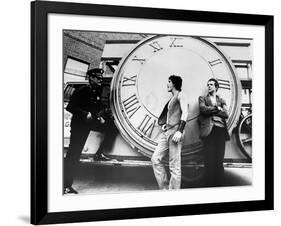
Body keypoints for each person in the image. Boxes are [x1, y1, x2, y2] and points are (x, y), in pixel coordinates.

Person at [64, 68, 110, 194]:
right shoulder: (82, 90)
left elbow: (96, 107)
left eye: (101, 78)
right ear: (91, 78)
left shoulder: (94, 91)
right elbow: (71, 107)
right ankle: (65, 185)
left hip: (86, 125)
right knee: (73, 155)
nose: (100, 80)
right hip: (79, 125)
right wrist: (85, 114)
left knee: (76, 154)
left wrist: (99, 116)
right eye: (98, 78)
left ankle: (98, 153)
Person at [151, 75, 188, 190]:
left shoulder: (181, 95)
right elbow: (172, 114)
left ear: (174, 83)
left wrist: (180, 131)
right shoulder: (172, 98)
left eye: (169, 82)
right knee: (155, 159)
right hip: (167, 132)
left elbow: (185, 112)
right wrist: (166, 125)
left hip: (175, 132)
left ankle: (173, 195)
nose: (167, 84)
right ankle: (165, 189)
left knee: (174, 165)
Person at [198, 78, 230, 187]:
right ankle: (209, 185)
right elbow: (203, 110)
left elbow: (226, 114)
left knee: (219, 159)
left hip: (221, 131)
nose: (209, 86)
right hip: (209, 131)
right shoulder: (202, 98)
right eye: (208, 85)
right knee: (209, 159)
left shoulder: (222, 99)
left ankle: (219, 185)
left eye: (211, 84)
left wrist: (214, 109)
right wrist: (217, 108)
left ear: (216, 87)